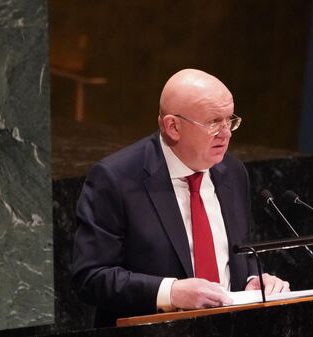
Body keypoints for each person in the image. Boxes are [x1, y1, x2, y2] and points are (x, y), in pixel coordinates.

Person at [72, 69, 290, 327]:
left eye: (229, 120)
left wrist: (254, 279)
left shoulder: (232, 173)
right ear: (173, 126)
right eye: (213, 122)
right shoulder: (116, 179)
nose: (226, 133)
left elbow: (242, 254)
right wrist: (171, 293)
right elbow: (91, 277)